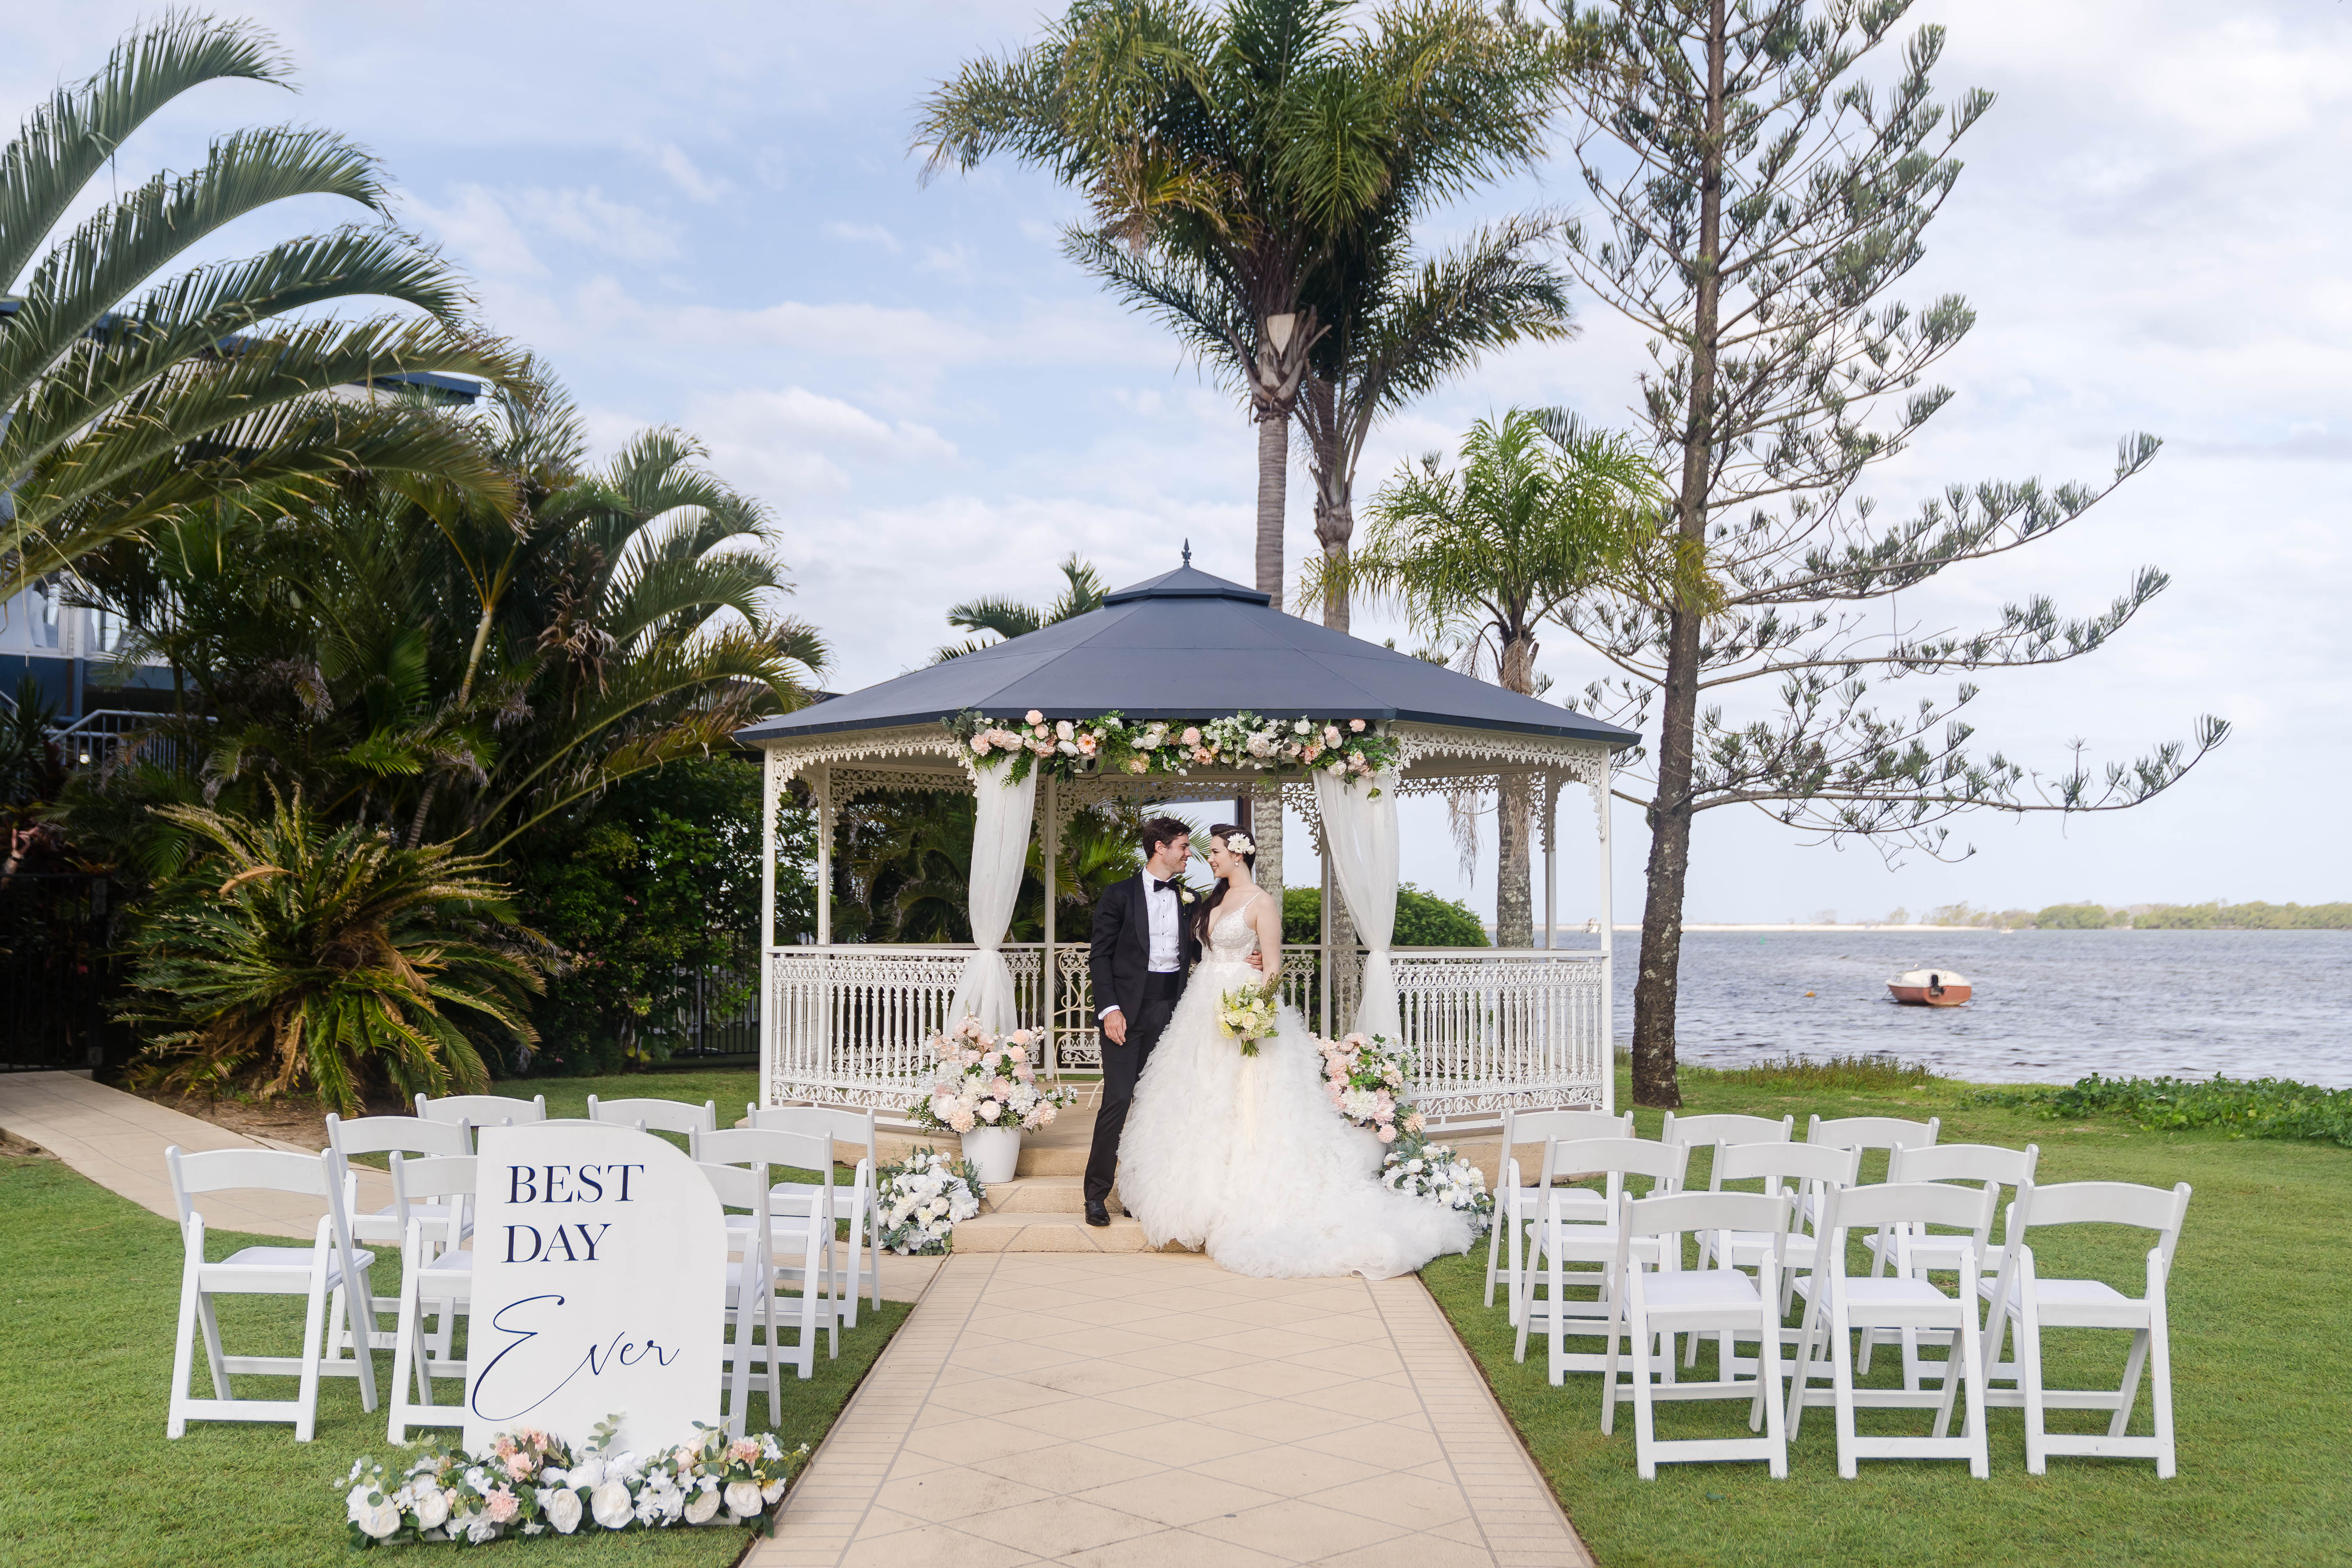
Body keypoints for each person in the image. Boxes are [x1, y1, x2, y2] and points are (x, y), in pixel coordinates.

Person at [1113, 823, 1473, 1279]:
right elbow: (1195, 952)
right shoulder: (1208, 900)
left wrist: (1253, 1015)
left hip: (1240, 1011)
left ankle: (1242, 1198)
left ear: (1239, 854)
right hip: (1199, 1009)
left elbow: (1273, 966)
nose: (1211, 858)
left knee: (1248, 1102)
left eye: (1218, 851)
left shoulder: (1260, 902)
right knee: (1195, 1097)